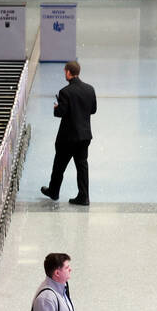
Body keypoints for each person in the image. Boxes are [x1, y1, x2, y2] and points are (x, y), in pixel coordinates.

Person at [40, 61, 96, 206]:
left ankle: (54, 191)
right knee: (82, 166)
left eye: (65, 71)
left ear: (68, 72)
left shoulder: (65, 92)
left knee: (59, 165)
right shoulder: (90, 89)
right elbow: (93, 110)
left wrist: (57, 107)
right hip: (84, 136)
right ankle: (84, 196)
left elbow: (60, 113)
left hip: (68, 137)